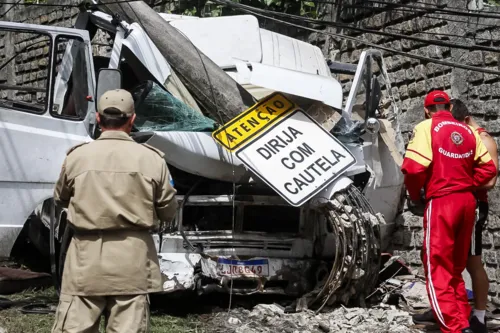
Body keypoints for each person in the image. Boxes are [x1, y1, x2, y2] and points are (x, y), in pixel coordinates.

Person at [51, 89, 178, 333]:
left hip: (85, 261)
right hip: (133, 260)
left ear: (98, 119)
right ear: (132, 119)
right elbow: (168, 211)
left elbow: (61, 198)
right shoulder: (153, 160)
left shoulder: (77, 157)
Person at [401, 90, 497, 333]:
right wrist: (463, 181)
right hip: (468, 202)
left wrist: (415, 195)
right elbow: (488, 170)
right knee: (455, 266)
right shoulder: (467, 131)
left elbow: (413, 168)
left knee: (436, 264)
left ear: (427, 110)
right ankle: (462, 320)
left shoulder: (425, 128)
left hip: (443, 200)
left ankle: (453, 326)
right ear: (448, 107)